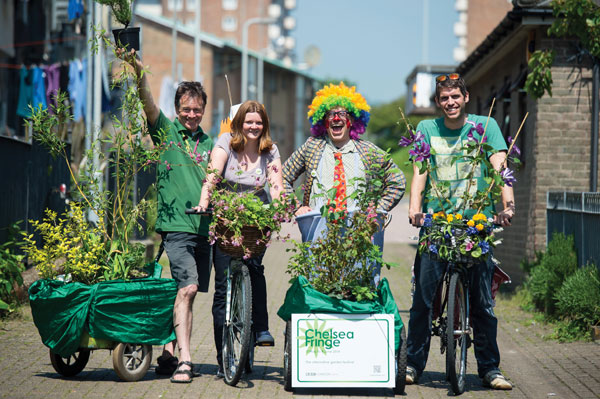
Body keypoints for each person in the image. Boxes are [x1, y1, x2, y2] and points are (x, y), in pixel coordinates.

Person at [406, 73, 515, 390]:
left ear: (466, 97)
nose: (450, 102)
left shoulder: (485, 127)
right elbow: (419, 173)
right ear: (438, 103)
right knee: (423, 302)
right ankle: (413, 364)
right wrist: (415, 211)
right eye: (444, 98)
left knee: (482, 304)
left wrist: (507, 205)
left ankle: (490, 369)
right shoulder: (426, 129)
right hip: (437, 225)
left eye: (455, 96)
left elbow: (502, 167)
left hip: (475, 224)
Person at [119, 49, 212, 383]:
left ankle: (170, 352)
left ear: (203, 110)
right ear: (177, 109)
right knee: (187, 288)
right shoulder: (166, 132)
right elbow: (147, 102)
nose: (191, 114)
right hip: (176, 226)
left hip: (204, 228)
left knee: (186, 291)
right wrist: (138, 70)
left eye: (196, 110)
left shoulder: (211, 143)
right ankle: (187, 360)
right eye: (186, 109)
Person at [196, 100, 283, 377]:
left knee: (255, 269)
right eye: (249, 122)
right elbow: (212, 175)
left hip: (255, 220)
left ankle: (261, 328)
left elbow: (277, 185)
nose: (254, 127)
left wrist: (280, 208)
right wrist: (203, 202)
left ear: (264, 125)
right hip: (226, 218)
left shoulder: (270, 150)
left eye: (258, 122)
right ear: (239, 123)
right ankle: (224, 359)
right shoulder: (226, 142)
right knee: (222, 289)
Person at [282, 82, 405, 217]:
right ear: (323, 121)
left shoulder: (368, 151)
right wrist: (296, 207)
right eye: (330, 114)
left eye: (342, 113)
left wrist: (377, 210)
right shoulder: (312, 147)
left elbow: (397, 181)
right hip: (318, 227)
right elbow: (281, 177)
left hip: (357, 228)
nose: (336, 118)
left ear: (351, 120)